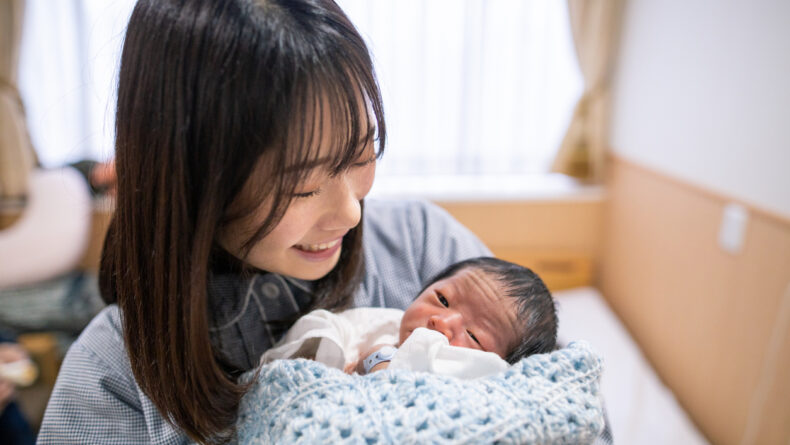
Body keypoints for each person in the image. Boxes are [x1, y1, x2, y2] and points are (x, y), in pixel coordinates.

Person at [37, 1, 490, 443]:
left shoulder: (428, 250)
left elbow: (554, 385)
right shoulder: (112, 375)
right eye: (302, 186)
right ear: (193, 179)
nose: (351, 213)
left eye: (363, 155)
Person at [261, 257, 557, 378]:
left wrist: (380, 361)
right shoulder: (382, 325)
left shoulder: (484, 381)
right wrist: (330, 361)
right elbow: (324, 328)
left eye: (475, 336)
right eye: (441, 299)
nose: (442, 322)